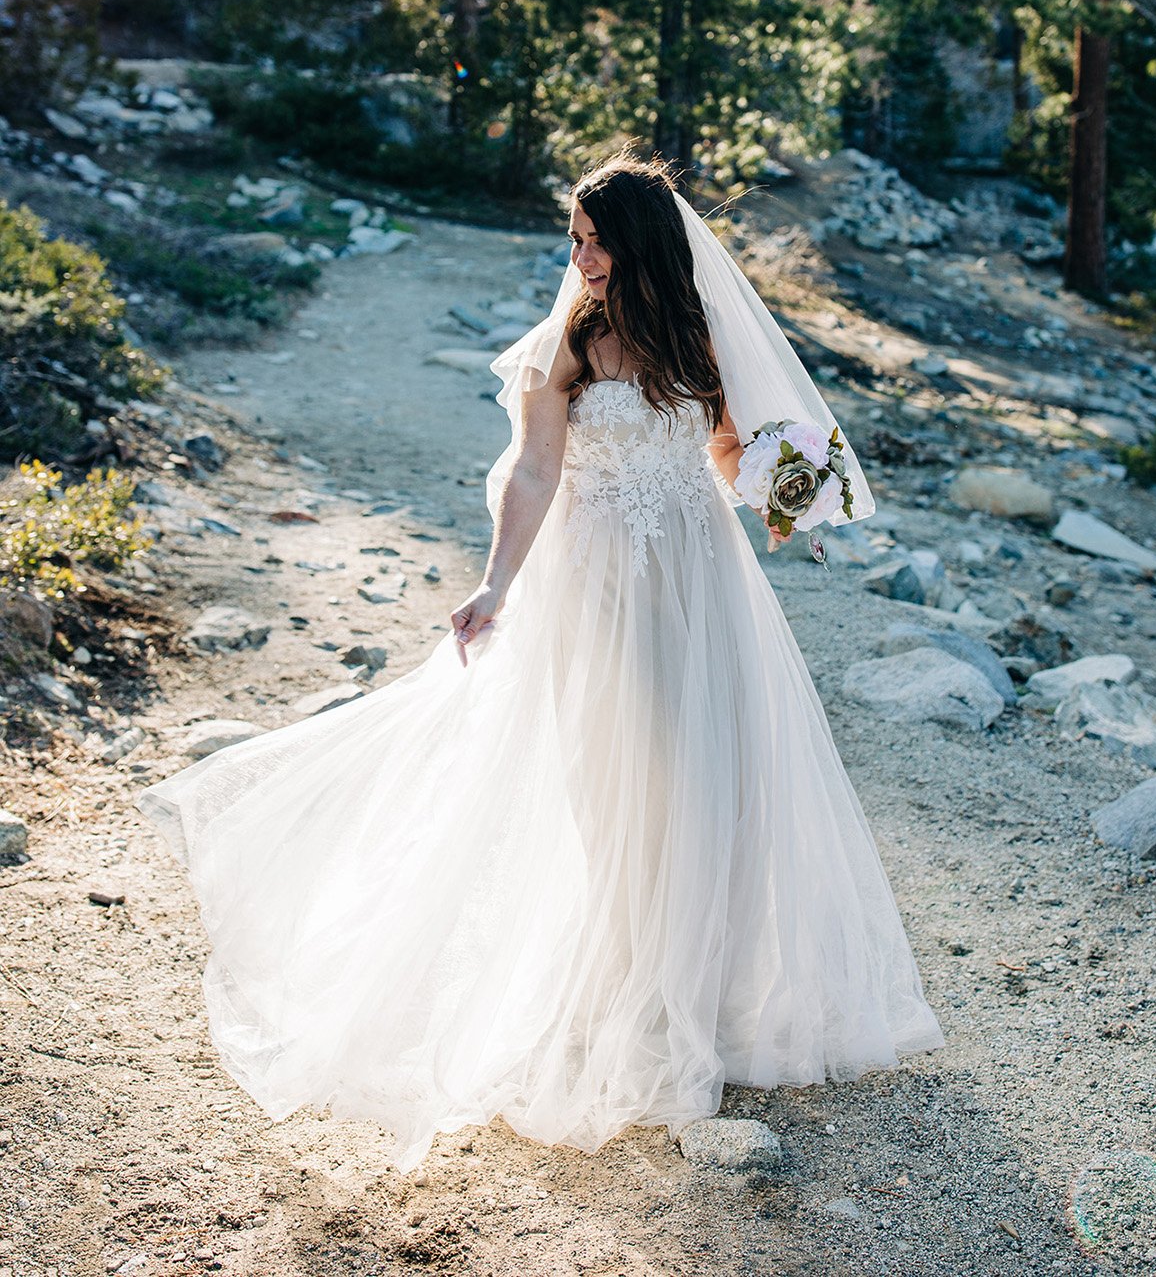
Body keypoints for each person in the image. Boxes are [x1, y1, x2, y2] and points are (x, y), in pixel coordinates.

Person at [135, 151, 944, 1176]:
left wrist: (784, 494)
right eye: (576, 242)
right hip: (600, 587)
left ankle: (693, 998)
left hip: (701, 586)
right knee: (621, 788)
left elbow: (732, 449)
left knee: (712, 785)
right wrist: (495, 584)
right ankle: (618, 996)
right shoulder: (570, 343)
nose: (581, 259)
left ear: (639, 244)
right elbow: (534, 468)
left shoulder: (697, 340)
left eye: (595, 242)